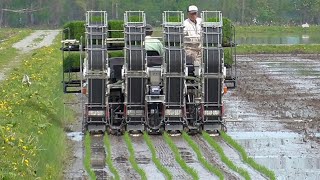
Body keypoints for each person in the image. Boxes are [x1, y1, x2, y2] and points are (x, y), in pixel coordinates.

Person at [184, 5, 202, 69]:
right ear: (188, 14)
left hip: (200, 48)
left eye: (195, 13)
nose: (193, 15)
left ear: (197, 13)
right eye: (191, 13)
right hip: (190, 49)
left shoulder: (201, 21)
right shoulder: (185, 23)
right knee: (193, 57)